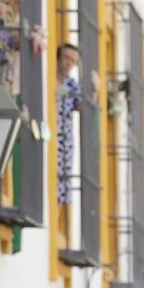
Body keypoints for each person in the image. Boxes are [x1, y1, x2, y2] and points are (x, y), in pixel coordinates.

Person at [55, 43, 83, 210]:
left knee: (62, 186)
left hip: (64, 142)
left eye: (73, 61)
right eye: (66, 58)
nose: (69, 63)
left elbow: (83, 106)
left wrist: (95, 90)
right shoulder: (48, 76)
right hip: (49, 133)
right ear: (58, 57)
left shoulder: (72, 85)